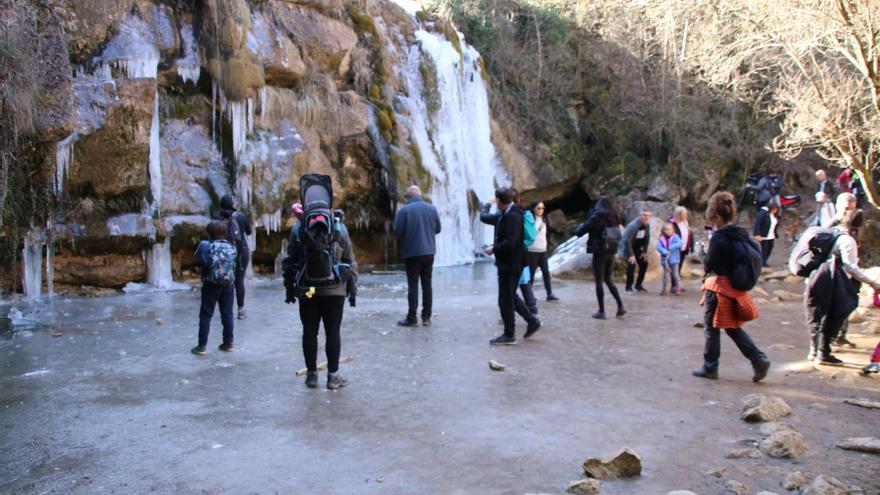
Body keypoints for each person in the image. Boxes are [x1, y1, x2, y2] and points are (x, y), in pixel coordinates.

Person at [284, 179, 359, 390]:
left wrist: (291, 289)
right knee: (332, 331)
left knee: (309, 331)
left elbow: (289, 261)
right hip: (334, 290)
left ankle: (311, 375)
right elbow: (350, 260)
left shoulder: (299, 229)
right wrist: (352, 288)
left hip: (308, 291)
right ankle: (333, 377)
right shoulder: (339, 228)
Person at [693, 191, 771, 382]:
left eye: (713, 219)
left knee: (712, 328)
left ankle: (710, 367)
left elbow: (711, 266)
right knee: (732, 327)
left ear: (718, 217)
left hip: (718, 288)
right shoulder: (740, 233)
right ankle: (758, 359)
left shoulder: (719, 238)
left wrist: (701, 252)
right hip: (735, 288)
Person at [803, 195, 880, 366]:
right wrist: (872, 283)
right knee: (832, 315)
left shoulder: (832, 230)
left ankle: (816, 350)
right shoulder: (846, 239)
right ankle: (823, 353)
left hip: (817, 276)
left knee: (819, 315)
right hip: (832, 281)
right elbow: (851, 266)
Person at [484, 187, 541, 345]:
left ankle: (509, 334)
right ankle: (532, 320)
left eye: (496, 200)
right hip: (510, 262)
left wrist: (493, 248)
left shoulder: (513, 216)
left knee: (505, 300)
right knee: (510, 296)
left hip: (511, 263)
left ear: (500, 201)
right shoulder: (509, 213)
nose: (495, 203)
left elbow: (511, 242)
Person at [394, 185, 441, 327]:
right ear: (420, 195)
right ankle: (426, 317)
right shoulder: (432, 209)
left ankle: (412, 318)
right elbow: (438, 229)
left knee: (413, 286)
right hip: (429, 252)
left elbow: (398, 231)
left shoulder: (404, 211)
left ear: (408, 196)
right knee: (427, 285)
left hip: (412, 253)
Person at [191, 221, 238, 356]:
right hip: (228, 283)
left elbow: (197, 259)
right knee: (227, 314)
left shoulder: (206, 245)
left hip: (211, 284)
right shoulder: (231, 246)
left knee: (206, 314)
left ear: (209, 232)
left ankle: (202, 346)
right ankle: (228, 343)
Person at [575, 198, 625, 320]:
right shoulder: (614, 218)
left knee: (599, 281)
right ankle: (620, 306)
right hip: (611, 252)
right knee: (609, 280)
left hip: (599, 252)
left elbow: (579, 232)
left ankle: (601, 311)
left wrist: (584, 223)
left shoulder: (596, 216)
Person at [218, 195, 253, 320]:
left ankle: (226, 310)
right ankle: (241, 309)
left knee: (225, 280)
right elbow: (249, 232)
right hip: (240, 251)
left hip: (224, 252)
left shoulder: (217, 218)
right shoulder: (240, 216)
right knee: (239, 280)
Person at [526, 201, 559, 301]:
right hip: (532, 251)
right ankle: (529, 295)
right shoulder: (530, 219)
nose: (541, 210)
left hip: (543, 251)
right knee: (531, 274)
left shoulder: (543, 219)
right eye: (538, 208)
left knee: (546, 272)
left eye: (542, 208)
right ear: (533, 209)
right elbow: (529, 234)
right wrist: (537, 229)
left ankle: (549, 294)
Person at [622, 210, 652, 294]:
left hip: (638, 249)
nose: (646, 217)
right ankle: (628, 287)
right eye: (644, 215)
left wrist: (644, 251)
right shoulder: (633, 225)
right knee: (631, 265)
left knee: (644, 264)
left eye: (648, 216)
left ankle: (638, 285)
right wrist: (631, 255)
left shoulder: (647, 225)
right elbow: (626, 241)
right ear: (639, 215)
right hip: (628, 249)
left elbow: (647, 238)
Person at [657, 223, 683, 296]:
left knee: (675, 274)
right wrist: (664, 251)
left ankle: (678, 288)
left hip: (674, 260)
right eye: (666, 230)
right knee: (665, 275)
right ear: (663, 230)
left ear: (673, 230)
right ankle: (664, 288)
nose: (668, 231)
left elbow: (680, 243)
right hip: (665, 260)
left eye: (670, 229)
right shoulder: (661, 238)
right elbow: (658, 247)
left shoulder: (675, 237)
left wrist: (672, 247)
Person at [670, 207, 694, 283]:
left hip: (684, 248)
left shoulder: (685, 222)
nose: (685, 215)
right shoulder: (672, 223)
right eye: (684, 214)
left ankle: (677, 284)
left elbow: (689, 233)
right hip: (676, 249)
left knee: (679, 266)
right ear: (679, 215)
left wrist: (691, 247)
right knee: (675, 267)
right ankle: (674, 285)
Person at [753, 202, 779, 267]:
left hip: (771, 235)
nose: (775, 211)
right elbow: (757, 223)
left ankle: (762, 261)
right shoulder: (764, 213)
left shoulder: (774, 216)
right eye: (774, 209)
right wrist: (757, 234)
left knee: (770, 248)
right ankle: (762, 263)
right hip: (764, 235)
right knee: (765, 249)